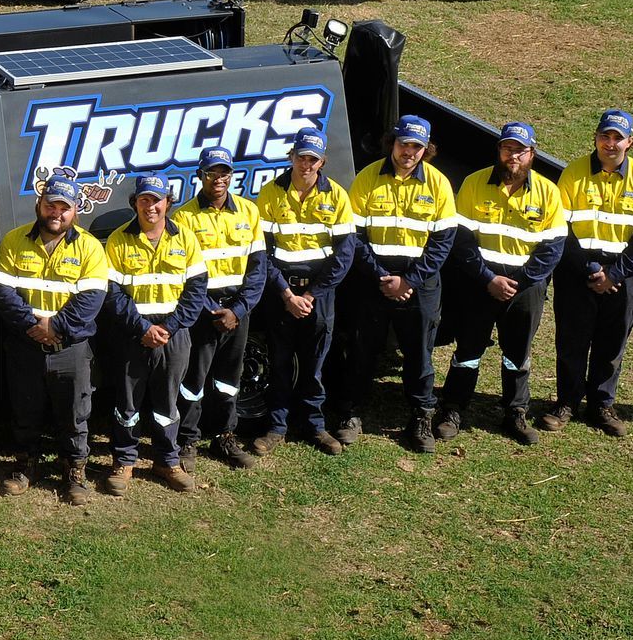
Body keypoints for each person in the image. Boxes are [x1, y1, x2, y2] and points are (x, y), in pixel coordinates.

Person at [438, 123, 568, 445]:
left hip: (525, 288)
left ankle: (515, 412)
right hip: (480, 283)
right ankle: (452, 408)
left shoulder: (549, 193)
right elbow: (462, 240)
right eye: (507, 149)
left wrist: (519, 282)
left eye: (520, 151)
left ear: (532, 154)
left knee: (517, 353)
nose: (514, 156)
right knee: (468, 349)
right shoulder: (474, 183)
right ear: (499, 151)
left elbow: (552, 247)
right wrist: (488, 279)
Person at [0, 176, 112, 504]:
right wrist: (32, 325)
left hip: (70, 348)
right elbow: (1, 291)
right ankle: (25, 467)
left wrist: (56, 326)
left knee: (75, 413)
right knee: (25, 410)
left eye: (64, 208)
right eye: (50, 205)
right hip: (25, 345)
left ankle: (75, 472)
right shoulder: (14, 241)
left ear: (75, 212)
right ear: (39, 205)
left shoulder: (90, 248)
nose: (56, 213)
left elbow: (92, 299)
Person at [345, 115, 459, 453]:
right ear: (391, 143)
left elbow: (443, 242)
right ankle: (350, 413)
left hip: (419, 283)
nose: (408, 152)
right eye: (403, 144)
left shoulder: (438, 185)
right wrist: (382, 277)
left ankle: (421, 416)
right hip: (373, 281)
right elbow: (355, 237)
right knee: (363, 348)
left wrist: (408, 280)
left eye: (416, 147)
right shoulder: (367, 178)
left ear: (425, 150)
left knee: (419, 354)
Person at [548, 110, 633, 437]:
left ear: (630, 142)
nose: (610, 144)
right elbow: (560, 230)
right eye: (605, 136)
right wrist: (592, 268)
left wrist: (616, 273)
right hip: (577, 270)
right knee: (572, 338)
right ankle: (566, 402)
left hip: (623, 275)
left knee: (612, 342)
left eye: (617, 138)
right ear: (595, 137)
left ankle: (602, 404)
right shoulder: (573, 173)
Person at [102, 176, 208, 494]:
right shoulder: (118, 240)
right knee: (127, 403)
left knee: (168, 400)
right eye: (145, 200)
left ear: (168, 203)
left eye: (157, 200)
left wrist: (171, 327)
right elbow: (112, 293)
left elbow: (196, 289)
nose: (151, 206)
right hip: (133, 334)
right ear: (135, 202)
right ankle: (124, 460)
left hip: (173, 334)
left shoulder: (186, 239)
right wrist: (142, 328)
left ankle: (167, 460)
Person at [254, 129, 357, 456]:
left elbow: (344, 254)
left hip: (319, 294)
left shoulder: (338, 197)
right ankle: (276, 427)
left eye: (312, 159)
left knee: (315, 364)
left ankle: (314, 425)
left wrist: (311, 295)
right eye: (301, 157)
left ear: (322, 161)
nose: (306, 164)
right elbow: (262, 254)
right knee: (280, 362)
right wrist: (286, 294)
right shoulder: (270, 194)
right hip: (281, 292)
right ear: (291, 158)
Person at [171, 147, 268, 469]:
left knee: (229, 377)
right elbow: (184, 275)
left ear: (231, 176)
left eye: (224, 173)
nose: (219, 179)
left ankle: (224, 436)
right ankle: (187, 439)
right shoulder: (184, 218)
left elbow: (257, 268)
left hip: (237, 310)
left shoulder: (248, 212)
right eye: (212, 173)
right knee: (193, 379)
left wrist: (238, 311)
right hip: (203, 312)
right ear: (200, 175)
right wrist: (212, 311)